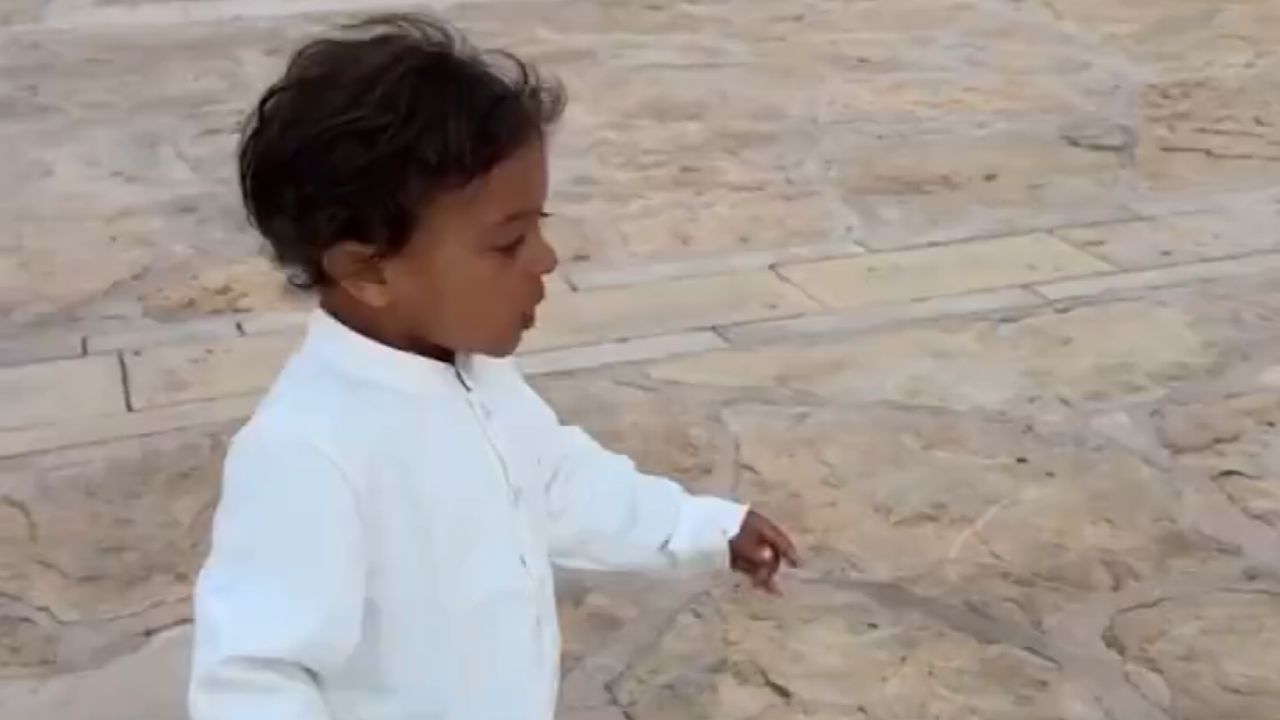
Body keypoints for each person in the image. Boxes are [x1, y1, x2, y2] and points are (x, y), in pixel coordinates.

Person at [188, 13, 799, 720]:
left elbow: (562, 482)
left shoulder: (474, 375)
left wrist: (701, 527)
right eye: (508, 243)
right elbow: (254, 679)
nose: (546, 259)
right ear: (368, 270)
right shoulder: (306, 453)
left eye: (539, 226)